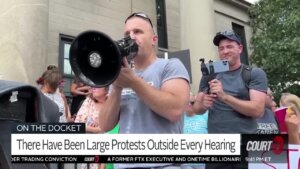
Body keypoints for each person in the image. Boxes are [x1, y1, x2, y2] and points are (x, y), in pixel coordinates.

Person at [98, 12, 190, 169]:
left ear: (154, 40)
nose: (131, 37)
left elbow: (175, 110)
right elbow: (105, 125)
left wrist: (133, 82)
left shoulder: (171, 66)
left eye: (138, 32)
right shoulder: (122, 75)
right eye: (127, 33)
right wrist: (118, 87)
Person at [192, 30, 268, 169]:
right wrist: (203, 105)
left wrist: (224, 97)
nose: (225, 51)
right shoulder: (210, 73)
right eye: (221, 48)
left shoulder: (253, 73)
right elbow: (196, 109)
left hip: (246, 146)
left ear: (240, 48)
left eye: (229, 46)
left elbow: (257, 110)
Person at [75, 87, 108, 169]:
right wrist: (97, 129)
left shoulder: (112, 102)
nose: (93, 88)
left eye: (98, 86)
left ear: (106, 89)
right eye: (93, 86)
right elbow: (78, 125)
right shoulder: (89, 101)